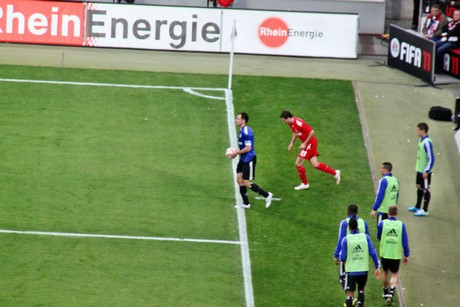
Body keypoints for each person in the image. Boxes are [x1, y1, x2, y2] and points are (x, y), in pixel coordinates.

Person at [279, 110, 340, 190]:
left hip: (310, 144)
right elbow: (295, 132)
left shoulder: (298, 123)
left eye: (284, 121)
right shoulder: (291, 124)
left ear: (288, 118)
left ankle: (305, 184)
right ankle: (335, 173)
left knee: (298, 163)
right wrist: (291, 143)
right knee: (315, 164)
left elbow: (312, 132)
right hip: (310, 144)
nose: (284, 122)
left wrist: (304, 143)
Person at [228, 112, 273, 209]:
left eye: (238, 118)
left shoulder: (246, 132)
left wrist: (235, 153)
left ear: (243, 120)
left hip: (249, 159)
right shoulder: (241, 130)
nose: (236, 120)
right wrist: (237, 152)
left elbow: (248, 148)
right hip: (243, 158)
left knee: (245, 182)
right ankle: (246, 203)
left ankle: (267, 195)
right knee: (239, 179)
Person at [340, 218, 381, 307]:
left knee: (350, 294)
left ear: (349, 227)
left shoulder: (346, 239)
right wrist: (377, 266)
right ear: (357, 226)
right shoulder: (366, 237)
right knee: (361, 290)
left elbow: (342, 258)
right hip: (363, 270)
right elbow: (373, 252)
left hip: (351, 271)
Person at [377, 206, 410, 306]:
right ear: (396, 213)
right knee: (394, 273)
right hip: (395, 254)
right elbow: (405, 241)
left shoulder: (382, 223)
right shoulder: (401, 225)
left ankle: (385, 291)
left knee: (385, 271)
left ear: (387, 212)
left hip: (385, 253)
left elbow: (378, 236)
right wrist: (406, 254)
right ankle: (391, 293)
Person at [334, 204, 370, 289]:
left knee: (343, 277)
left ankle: (350, 298)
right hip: (360, 255)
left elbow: (341, 239)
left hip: (347, 255)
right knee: (359, 283)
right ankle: (357, 298)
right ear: (357, 212)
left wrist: (336, 255)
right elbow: (368, 240)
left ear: (348, 211)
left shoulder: (345, 222)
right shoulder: (363, 223)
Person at [408, 122, 435, 217]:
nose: (417, 131)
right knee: (419, 187)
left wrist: (426, 171)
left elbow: (431, 158)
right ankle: (418, 206)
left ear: (423, 130)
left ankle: (425, 210)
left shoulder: (427, 142)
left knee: (426, 189)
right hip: (419, 170)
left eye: (418, 130)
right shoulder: (421, 140)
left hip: (425, 172)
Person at [370, 162, 399, 226]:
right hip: (392, 212)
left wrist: (374, 209)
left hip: (383, 211)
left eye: (381, 168)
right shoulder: (395, 180)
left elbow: (380, 196)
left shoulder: (383, 181)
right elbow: (397, 195)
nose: (380, 170)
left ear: (385, 169)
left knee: (381, 232)